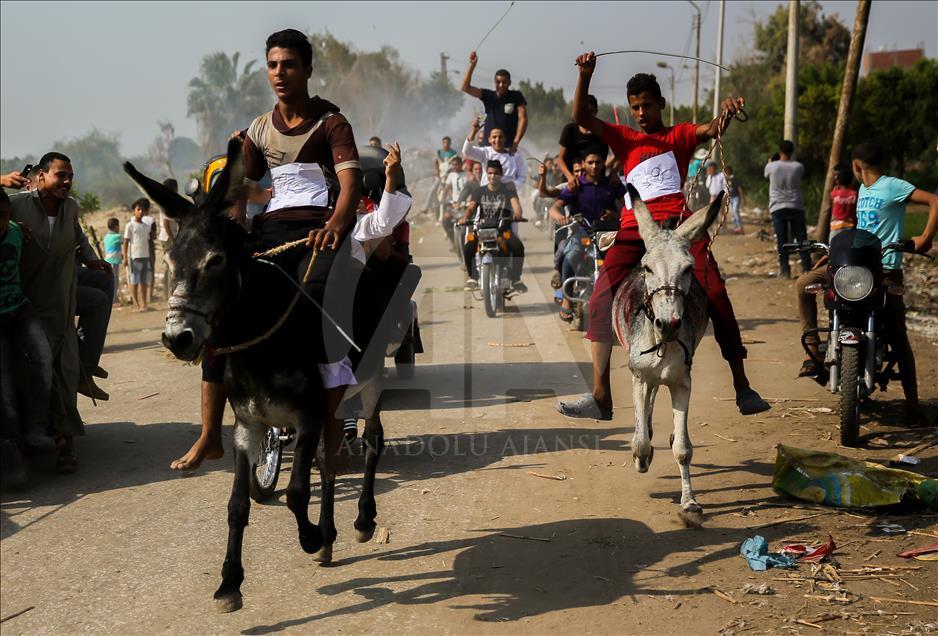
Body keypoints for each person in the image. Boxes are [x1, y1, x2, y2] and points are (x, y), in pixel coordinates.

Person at [172, 29, 363, 473]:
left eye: (289, 64)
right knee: (222, 315)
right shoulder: (257, 130)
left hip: (319, 235)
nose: (280, 73)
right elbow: (240, 188)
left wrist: (335, 224)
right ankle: (209, 436)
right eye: (273, 65)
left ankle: (333, 439)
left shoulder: (332, 123)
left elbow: (350, 184)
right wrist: (235, 222)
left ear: (308, 70)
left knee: (324, 314)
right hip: (270, 237)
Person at [557, 53, 769, 420]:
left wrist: (727, 114)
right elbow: (581, 118)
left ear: (661, 105)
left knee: (716, 292)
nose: (641, 113)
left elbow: (711, 129)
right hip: (635, 229)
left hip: (679, 229)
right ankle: (601, 396)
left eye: (647, 106)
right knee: (599, 299)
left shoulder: (680, 135)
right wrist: (584, 76)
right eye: (636, 107)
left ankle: (742, 385)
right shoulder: (625, 140)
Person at [797, 142, 937, 423]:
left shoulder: (893, 185)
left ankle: (913, 405)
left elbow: (936, 201)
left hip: (883, 269)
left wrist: (925, 238)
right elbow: (862, 230)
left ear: (857, 166)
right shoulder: (862, 190)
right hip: (852, 266)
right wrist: (834, 256)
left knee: (898, 333)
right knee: (803, 284)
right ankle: (814, 350)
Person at [8, 152, 110, 474]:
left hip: (62, 301)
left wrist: (92, 259)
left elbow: (78, 237)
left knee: (66, 374)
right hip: (27, 306)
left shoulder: (72, 208)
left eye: (70, 176)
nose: (66, 182)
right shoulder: (16, 207)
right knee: (39, 374)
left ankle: (67, 446)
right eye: (60, 175)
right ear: (41, 176)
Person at [0, 188, 55, 487]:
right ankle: (11, 451)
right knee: (4, 385)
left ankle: (36, 429)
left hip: (19, 308)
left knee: (43, 357)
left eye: (3, 215)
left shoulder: (16, 233)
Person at [550, 150, 625, 322]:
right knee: (571, 255)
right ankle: (567, 300)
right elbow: (555, 208)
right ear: (583, 164)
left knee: (621, 261)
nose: (594, 166)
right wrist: (561, 217)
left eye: (598, 162)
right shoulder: (576, 185)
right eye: (590, 162)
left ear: (603, 163)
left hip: (607, 234)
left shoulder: (612, 184)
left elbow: (628, 206)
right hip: (580, 234)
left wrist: (617, 215)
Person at [460, 160, 526, 293]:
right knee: (468, 247)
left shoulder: (508, 191)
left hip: (503, 230)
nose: (492, 176)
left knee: (518, 247)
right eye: (490, 173)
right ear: (487, 174)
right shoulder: (479, 191)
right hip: (483, 230)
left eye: (496, 173)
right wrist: (465, 217)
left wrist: (518, 214)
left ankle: (516, 279)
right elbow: (471, 207)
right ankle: (473, 277)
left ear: (501, 174)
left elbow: (516, 205)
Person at [460, 51, 527, 152]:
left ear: (509, 83)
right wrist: (472, 65)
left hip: (508, 148)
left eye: (504, 82)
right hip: (488, 148)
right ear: (494, 82)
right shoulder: (488, 95)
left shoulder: (516, 96)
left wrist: (516, 142)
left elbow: (523, 119)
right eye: (498, 82)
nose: (501, 85)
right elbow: (465, 88)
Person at [765, 140, 810, 278]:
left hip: (777, 206)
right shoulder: (799, 166)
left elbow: (766, 177)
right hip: (796, 205)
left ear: (780, 151)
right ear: (792, 152)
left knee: (782, 240)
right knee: (802, 238)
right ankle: (807, 268)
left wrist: (770, 162)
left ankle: (785, 271)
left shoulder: (771, 166)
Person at [558, 94, 610, 188]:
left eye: (590, 111)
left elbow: (617, 155)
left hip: (596, 184)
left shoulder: (602, 133)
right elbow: (560, 160)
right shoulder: (570, 130)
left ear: (596, 112)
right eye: (583, 111)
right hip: (571, 183)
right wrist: (570, 177)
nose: (587, 115)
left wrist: (614, 173)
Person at [461, 117, 526, 192]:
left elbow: (522, 177)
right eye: (494, 137)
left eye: (500, 137)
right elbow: (466, 152)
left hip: (508, 196)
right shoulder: (485, 152)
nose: (497, 140)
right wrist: (474, 131)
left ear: (505, 139)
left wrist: (514, 184)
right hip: (486, 195)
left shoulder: (515, 156)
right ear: (489, 140)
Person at [123, 198, 152, 312]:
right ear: (134, 211)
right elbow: (126, 242)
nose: (140, 212)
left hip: (145, 256)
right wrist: (125, 257)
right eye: (138, 209)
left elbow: (147, 241)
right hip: (134, 257)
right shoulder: (130, 225)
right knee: (134, 281)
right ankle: (136, 305)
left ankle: (144, 304)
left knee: (144, 282)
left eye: (142, 210)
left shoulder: (145, 226)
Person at [158, 178, 179, 299]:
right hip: (168, 238)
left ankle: (169, 291)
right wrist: (174, 239)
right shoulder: (166, 202)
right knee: (171, 264)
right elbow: (166, 224)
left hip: (169, 237)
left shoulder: (168, 201)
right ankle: (170, 292)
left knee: (170, 265)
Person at [829, 164, 857, 239]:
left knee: (833, 248)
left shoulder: (834, 193)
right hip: (850, 226)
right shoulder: (854, 194)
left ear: (838, 181)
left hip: (836, 226)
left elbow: (832, 203)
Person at [103, 217, 122, 305]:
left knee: (111, 280)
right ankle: (113, 300)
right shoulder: (117, 236)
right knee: (115, 280)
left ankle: (114, 298)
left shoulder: (106, 236)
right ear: (116, 226)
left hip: (108, 260)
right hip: (114, 261)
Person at [724, 164, 745, 234]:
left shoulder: (735, 179)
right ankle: (736, 228)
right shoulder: (726, 180)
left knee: (735, 211)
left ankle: (740, 227)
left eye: (725, 171)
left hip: (736, 197)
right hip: (730, 198)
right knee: (732, 213)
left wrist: (742, 198)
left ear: (728, 171)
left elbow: (740, 189)